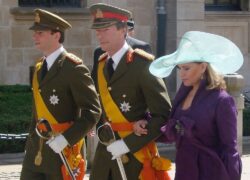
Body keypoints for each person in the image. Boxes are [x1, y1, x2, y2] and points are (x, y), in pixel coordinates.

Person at [89, 3, 172, 180]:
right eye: (97, 29)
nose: (99, 34)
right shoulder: (102, 63)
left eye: (105, 29)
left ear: (123, 29)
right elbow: (98, 104)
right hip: (105, 153)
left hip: (135, 156)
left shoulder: (141, 64)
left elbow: (163, 114)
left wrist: (127, 145)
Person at [148, 31, 243, 180]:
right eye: (180, 68)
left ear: (203, 67)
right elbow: (172, 133)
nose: (181, 74)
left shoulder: (222, 100)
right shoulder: (182, 96)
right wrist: (145, 125)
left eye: (187, 68)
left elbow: (230, 148)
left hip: (212, 173)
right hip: (184, 172)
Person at [20, 9, 101, 180]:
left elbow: (92, 110)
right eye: (35, 33)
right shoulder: (39, 67)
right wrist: (30, 143)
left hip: (62, 151)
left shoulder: (73, 68)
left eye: (40, 33)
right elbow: (37, 114)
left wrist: (66, 139)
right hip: (36, 150)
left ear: (56, 35)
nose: (35, 37)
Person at [91, 18, 152, 85]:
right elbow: (95, 85)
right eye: (98, 30)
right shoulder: (100, 55)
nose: (100, 36)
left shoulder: (141, 57)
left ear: (123, 30)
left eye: (106, 30)